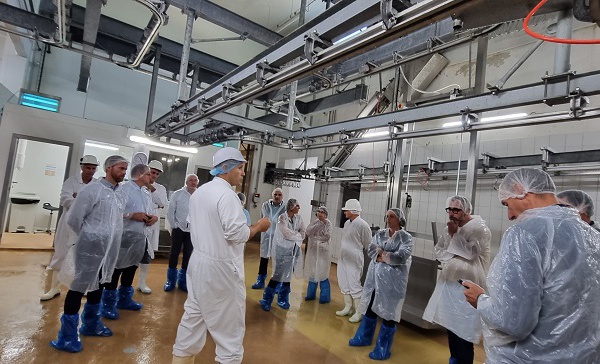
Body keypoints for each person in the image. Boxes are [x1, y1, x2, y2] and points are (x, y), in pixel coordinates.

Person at [463, 168, 600, 364]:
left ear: (520, 190)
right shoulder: (593, 236)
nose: (509, 215)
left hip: (528, 357)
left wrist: (480, 300)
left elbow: (514, 322)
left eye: (506, 204)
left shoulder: (525, 233)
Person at [171, 147, 270, 364]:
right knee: (230, 334)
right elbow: (237, 233)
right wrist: (258, 227)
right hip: (221, 270)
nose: (243, 173)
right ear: (226, 168)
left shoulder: (201, 192)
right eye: (241, 168)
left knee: (192, 320)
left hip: (198, 264)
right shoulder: (227, 195)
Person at [50, 155, 128, 353]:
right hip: (89, 248)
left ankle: (91, 325)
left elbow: (116, 221)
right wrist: (90, 236)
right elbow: (74, 219)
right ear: (109, 168)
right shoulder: (92, 190)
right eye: (121, 168)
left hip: (109, 250)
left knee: (99, 286)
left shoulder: (120, 194)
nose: (124, 172)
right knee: (78, 288)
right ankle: (67, 337)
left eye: (126, 169)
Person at [422, 195, 491, 364]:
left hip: (469, 287)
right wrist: (453, 246)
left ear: (466, 210)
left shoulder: (480, 229)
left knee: (464, 334)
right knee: (451, 330)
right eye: (449, 209)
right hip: (450, 285)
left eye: (456, 210)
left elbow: (470, 253)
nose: (452, 213)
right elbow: (439, 251)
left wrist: (454, 238)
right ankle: (454, 360)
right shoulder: (449, 229)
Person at [349, 208, 413, 361]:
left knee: (388, 314)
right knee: (371, 307)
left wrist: (381, 255)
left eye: (391, 216)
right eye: (387, 216)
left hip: (393, 283)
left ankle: (383, 348)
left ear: (399, 220)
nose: (388, 219)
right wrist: (386, 256)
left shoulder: (406, 237)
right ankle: (364, 338)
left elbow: (401, 257)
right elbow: (371, 250)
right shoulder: (380, 234)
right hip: (375, 280)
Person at [100, 164, 158, 320]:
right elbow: (114, 211)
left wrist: (153, 217)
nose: (151, 177)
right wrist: (132, 215)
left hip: (139, 237)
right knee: (115, 269)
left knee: (131, 268)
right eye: (148, 174)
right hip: (123, 236)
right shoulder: (123, 189)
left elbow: (150, 210)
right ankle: (108, 304)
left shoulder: (146, 192)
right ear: (139, 175)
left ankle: (124, 299)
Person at [41, 154, 99, 301]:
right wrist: (83, 203)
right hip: (68, 224)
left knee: (83, 256)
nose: (90, 171)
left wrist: (77, 198)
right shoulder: (71, 181)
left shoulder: (97, 184)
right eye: (88, 167)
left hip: (86, 225)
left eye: (93, 168)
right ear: (82, 167)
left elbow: (96, 204)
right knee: (61, 253)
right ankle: (54, 288)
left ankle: (81, 287)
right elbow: (65, 199)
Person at [259, 198, 306, 311]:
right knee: (277, 275)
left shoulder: (299, 218)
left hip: (294, 252)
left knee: (288, 276)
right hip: (282, 251)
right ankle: (266, 299)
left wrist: (295, 235)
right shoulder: (282, 218)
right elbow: (285, 233)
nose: (299, 208)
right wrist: (297, 235)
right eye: (297, 206)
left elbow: (303, 233)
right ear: (291, 207)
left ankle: (283, 299)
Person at [336, 199, 372, 323]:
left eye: (346, 210)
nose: (345, 212)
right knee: (344, 282)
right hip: (343, 257)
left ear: (353, 210)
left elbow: (368, 243)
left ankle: (359, 312)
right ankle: (348, 307)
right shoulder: (347, 223)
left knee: (354, 284)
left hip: (354, 258)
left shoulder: (363, 225)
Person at [137, 160, 169, 294]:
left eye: (156, 173)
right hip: (136, 222)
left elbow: (162, 203)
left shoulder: (160, 188)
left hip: (152, 223)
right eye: (152, 172)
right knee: (130, 253)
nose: (154, 175)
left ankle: (141, 282)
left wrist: (151, 188)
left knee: (146, 254)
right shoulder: (138, 184)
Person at [164, 174, 199, 292]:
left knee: (188, 255)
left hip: (192, 231)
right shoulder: (177, 194)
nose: (193, 182)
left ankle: (183, 281)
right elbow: (170, 212)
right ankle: (170, 280)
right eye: (191, 180)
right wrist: (174, 226)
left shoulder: (200, 195)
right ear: (186, 182)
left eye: (195, 180)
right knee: (174, 253)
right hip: (179, 229)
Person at [250, 188, 285, 289]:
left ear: (282, 196)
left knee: (277, 260)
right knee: (264, 258)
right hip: (266, 235)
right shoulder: (266, 205)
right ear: (272, 195)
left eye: (279, 195)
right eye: (275, 195)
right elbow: (263, 218)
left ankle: (277, 284)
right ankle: (260, 280)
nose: (277, 197)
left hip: (278, 237)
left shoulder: (284, 207)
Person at [304, 206, 332, 304]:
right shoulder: (315, 222)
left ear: (325, 214)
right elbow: (308, 232)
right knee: (313, 272)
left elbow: (327, 236)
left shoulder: (328, 224)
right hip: (313, 252)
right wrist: (318, 226)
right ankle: (310, 294)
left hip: (323, 253)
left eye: (322, 212)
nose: (320, 213)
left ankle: (325, 297)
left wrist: (316, 240)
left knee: (322, 273)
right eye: (318, 212)